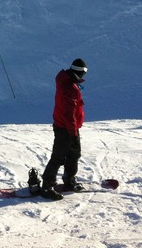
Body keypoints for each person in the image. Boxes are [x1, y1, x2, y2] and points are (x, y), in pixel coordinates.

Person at [40, 58, 88, 200]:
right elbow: (69, 114)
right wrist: (73, 133)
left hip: (65, 126)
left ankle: (69, 179)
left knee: (73, 154)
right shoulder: (70, 88)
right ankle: (47, 185)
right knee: (59, 156)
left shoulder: (66, 80)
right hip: (65, 128)